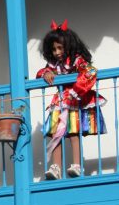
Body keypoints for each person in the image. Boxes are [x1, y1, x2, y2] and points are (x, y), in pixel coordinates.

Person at [37, 22, 106, 180]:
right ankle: (56, 167)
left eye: (60, 48)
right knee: (55, 132)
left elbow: (90, 71)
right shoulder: (54, 65)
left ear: (68, 46)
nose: (57, 52)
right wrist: (46, 73)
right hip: (61, 101)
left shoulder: (77, 61)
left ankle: (76, 165)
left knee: (73, 131)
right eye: (54, 49)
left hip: (74, 99)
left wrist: (76, 90)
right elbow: (41, 71)